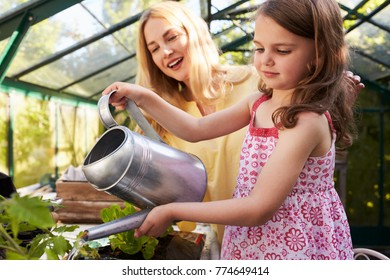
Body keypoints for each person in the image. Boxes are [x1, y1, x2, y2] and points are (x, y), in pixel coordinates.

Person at [103, 0, 356, 259]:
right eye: (259, 48)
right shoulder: (258, 104)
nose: (266, 60)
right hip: (251, 244)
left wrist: (173, 210)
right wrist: (143, 96)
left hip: (295, 249)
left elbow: (259, 208)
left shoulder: (306, 121)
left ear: (319, 54)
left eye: (281, 50)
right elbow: (195, 128)